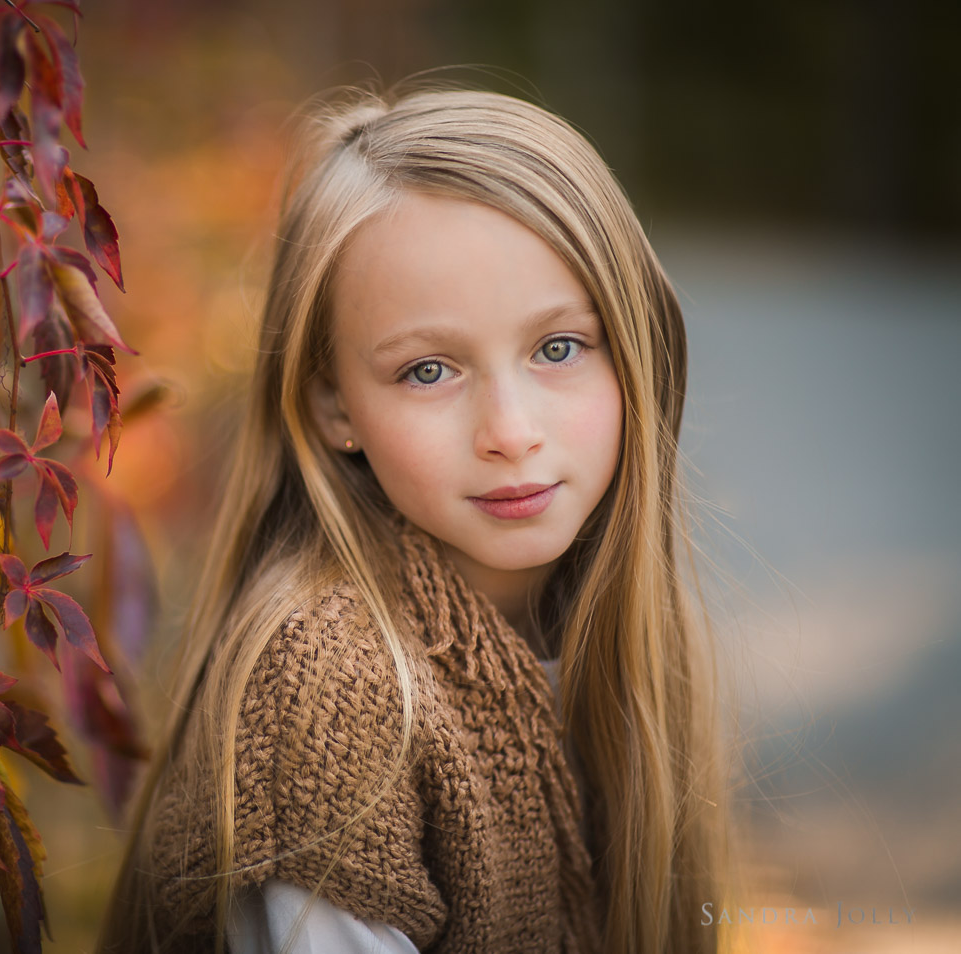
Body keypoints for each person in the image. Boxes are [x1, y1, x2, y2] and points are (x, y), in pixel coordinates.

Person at [97, 85, 736, 954]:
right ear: (333, 407)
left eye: (558, 349)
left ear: (633, 352)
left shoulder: (619, 633)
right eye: (429, 371)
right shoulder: (333, 695)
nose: (510, 433)